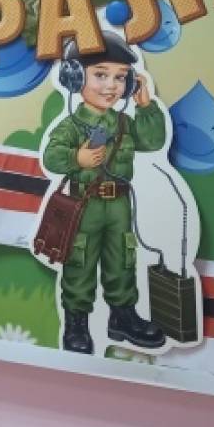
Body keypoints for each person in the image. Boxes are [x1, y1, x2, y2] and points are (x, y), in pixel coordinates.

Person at [43, 30, 168, 353]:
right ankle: (76, 323)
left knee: (122, 259)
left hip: (119, 205)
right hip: (84, 205)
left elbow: (152, 141)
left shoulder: (124, 124)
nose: (111, 85)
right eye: (100, 75)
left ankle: (123, 317)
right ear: (74, 77)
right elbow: (52, 157)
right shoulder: (71, 126)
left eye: (121, 77)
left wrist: (146, 106)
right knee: (80, 261)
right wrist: (77, 157)